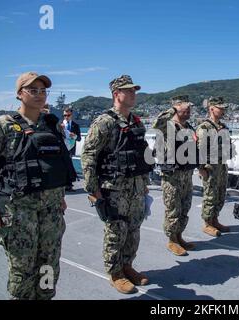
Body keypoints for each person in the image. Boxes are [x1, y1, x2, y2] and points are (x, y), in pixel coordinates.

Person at [0, 71, 76, 299]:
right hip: (17, 212)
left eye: (43, 90)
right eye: (33, 90)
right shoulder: (0, 127)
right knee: (23, 269)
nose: (39, 95)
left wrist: (59, 197)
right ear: (20, 94)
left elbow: (55, 165)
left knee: (49, 264)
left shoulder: (51, 125)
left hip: (51, 212)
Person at [81, 74, 153, 294]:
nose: (133, 94)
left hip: (136, 188)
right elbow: (89, 156)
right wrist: (93, 191)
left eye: (134, 90)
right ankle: (115, 273)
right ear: (116, 94)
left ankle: (127, 265)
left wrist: (145, 183)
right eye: (128, 90)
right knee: (116, 231)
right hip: (114, 189)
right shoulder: (104, 122)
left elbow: (141, 154)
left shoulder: (136, 121)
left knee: (134, 230)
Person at [152, 95, 198, 256]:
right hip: (172, 176)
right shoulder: (168, 126)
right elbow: (156, 124)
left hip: (187, 174)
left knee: (185, 208)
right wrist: (173, 108)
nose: (189, 111)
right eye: (185, 108)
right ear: (178, 107)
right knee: (173, 209)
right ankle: (172, 240)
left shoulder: (189, 127)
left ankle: (179, 236)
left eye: (189, 108)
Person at [196, 97, 235, 237]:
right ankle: (207, 224)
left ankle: (215, 220)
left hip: (222, 165)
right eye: (220, 108)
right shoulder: (204, 127)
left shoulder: (223, 127)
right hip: (210, 167)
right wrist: (201, 168)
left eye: (224, 108)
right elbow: (200, 149)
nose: (223, 110)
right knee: (210, 195)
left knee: (220, 194)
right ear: (211, 108)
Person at [61, 106, 81, 191]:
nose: (66, 117)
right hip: (61, 148)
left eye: (68, 115)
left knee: (69, 166)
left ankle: (69, 185)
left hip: (70, 148)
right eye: (65, 115)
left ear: (71, 115)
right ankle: (63, 184)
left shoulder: (75, 125)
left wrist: (75, 136)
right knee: (62, 166)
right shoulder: (60, 124)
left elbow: (79, 138)